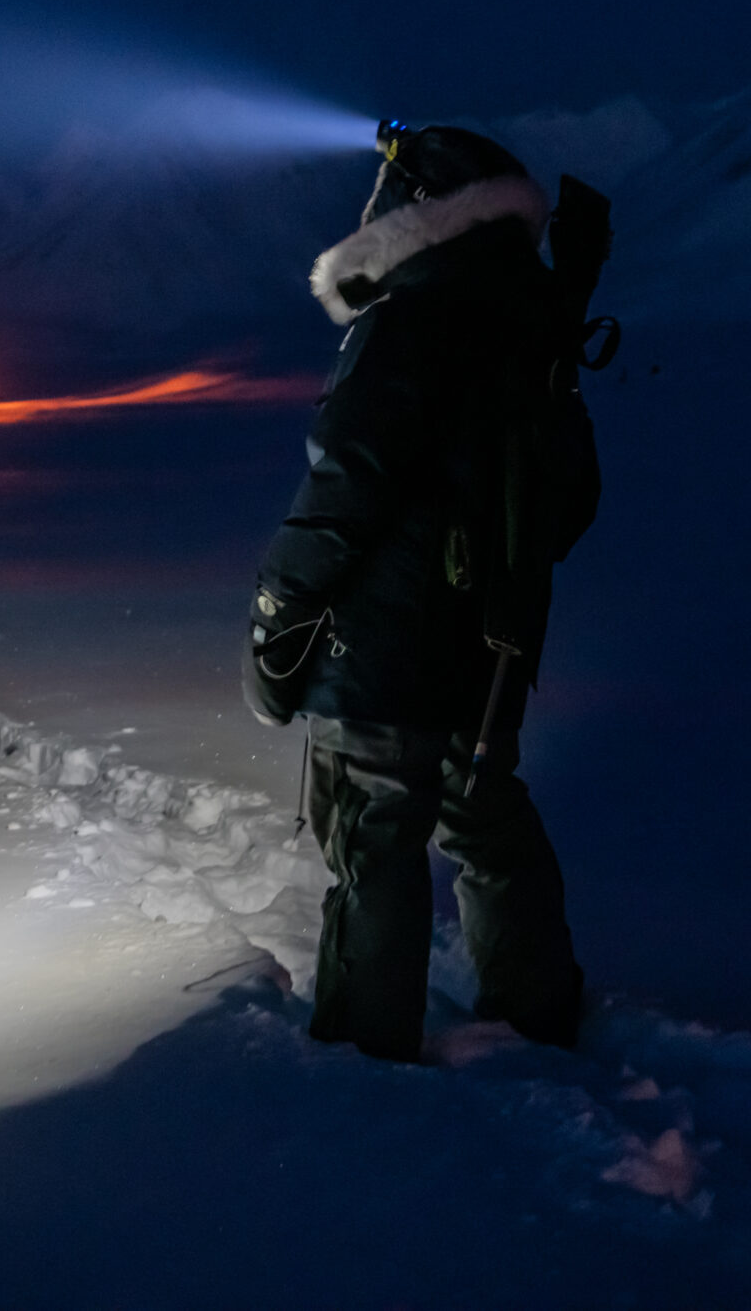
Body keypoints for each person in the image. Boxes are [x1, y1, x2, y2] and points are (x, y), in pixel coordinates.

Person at [242, 121, 601, 1062]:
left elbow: (344, 486)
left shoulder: (411, 323)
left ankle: (367, 1062)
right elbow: (568, 503)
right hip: (491, 650)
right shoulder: (531, 329)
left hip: (383, 651)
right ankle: (540, 1016)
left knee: (372, 832)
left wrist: (279, 616)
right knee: (485, 816)